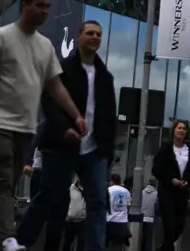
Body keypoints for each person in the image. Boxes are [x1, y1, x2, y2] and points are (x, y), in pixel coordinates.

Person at [0, 0, 88, 251]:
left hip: (25, 128)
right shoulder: (0, 38)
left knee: (5, 185)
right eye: (39, 5)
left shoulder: (44, 46)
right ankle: (7, 238)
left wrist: (76, 116)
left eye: (47, 6)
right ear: (24, 5)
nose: (44, 11)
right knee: (4, 177)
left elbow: (55, 86)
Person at [15, 19, 115, 251]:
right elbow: (49, 101)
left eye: (98, 35)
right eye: (90, 33)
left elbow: (109, 116)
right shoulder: (63, 68)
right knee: (48, 197)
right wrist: (64, 129)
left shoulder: (105, 77)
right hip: (61, 145)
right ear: (80, 35)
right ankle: (19, 243)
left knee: (98, 203)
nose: (94, 38)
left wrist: (107, 152)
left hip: (94, 151)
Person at [152, 121, 190, 251]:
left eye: (184, 128)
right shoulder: (165, 149)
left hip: (182, 193)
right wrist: (171, 180)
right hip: (167, 192)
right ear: (173, 131)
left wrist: (188, 181)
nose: (181, 130)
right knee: (169, 224)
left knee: (179, 225)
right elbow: (157, 169)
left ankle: (163, 248)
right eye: (179, 128)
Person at [105, 175, 130, 251]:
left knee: (107, 246)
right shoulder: (126, 191)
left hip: (110, 221)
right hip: (122, 223)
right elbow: (128, 206)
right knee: (119, 247)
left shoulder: (108, 190)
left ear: (112, 181)